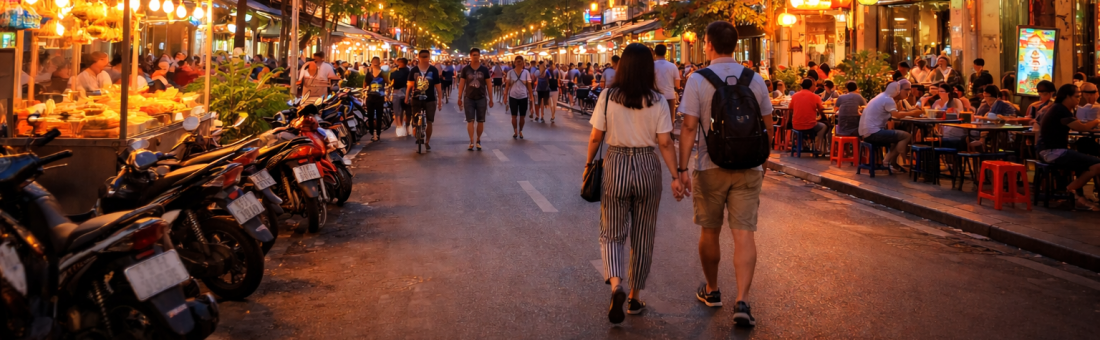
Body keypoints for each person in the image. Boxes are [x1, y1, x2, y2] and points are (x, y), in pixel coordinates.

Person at [677, 21, 774, 328]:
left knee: (710, 230)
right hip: (749, 167)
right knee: (744, 234)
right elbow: (768, 124)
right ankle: (742, 300)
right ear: (735, 45)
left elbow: (690, 127)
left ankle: (712, 289)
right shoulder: (754, 79)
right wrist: (763, 160)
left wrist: (682, 169)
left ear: (708, 44)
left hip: (711, 165)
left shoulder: (697, 79)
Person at [586, 43, 682, 324]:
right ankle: (635, 297)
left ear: (622, 67)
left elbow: (595, 137)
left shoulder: (607, 96)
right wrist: (676, 176)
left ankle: (616, 284)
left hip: (615, 163)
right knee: (643, 235)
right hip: (647, 166)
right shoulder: (658, 100)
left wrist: (588, 164)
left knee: (611, 232)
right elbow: (665, 142)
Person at [1036, 84, 1100, 210]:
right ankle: (1071, 191)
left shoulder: (1059, 108)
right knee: (1097, 165)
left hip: (1050, 150)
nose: (1078, 100)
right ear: (1067, 97)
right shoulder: (1060, 110)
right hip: (1052, 152)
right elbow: (1081, 127)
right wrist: (1097, 121)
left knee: (1090, 162)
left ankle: (1075, 194)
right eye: (1076, 97)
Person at [859, 81, 920, 172]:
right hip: (873, 133)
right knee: (906, 136)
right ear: (898, 90)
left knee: (897, 137)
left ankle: (892, 162)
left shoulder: (882, 96)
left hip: (867, 132)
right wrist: (913, 113)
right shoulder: (888, 99)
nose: (909, 92)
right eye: (906, 89)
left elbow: (894, 114)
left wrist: (911, 112)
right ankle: (896, 159)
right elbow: (896, 115)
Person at [405, 50, 443, 150]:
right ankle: (417, 133)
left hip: (430, 98)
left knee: (430, 121)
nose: (425, 59)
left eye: (426, 57)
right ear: (419, 57)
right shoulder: (414, 70)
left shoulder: (433, 70)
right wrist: (406, 97)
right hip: (416, 98)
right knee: (415, 120)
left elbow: (438, 87)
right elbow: (409, 85)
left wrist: (439, 101)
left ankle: (427, 141)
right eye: (423, 57)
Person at [458, 48, 493, 151]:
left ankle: (478, 139)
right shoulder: (465, 69)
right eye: (474, 55)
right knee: (470, 121)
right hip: (469, 98)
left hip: (481, 98)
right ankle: (471, 140)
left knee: (480, 121)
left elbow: (489, 84)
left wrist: (491, 99)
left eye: (477, 55)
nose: (475, 56)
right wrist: (459, 97)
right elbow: (462, 84)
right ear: (470, 56)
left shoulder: (484, 70)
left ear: (479, 56)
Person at [790, 78, 827, 149]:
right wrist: (821, 117)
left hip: (796, 125)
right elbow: (821, 110)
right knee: (824, 126)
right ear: (811, 86)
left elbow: (790, 109)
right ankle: (817, 146)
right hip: (810, 126)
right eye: (814, 85)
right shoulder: (816, 97)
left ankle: (805, 143)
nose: (815, 87)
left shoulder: (794, 96)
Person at [653, 44, 682, 126]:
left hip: (655, 97)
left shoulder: (651, 65)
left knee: (656, 121)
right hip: (669, 96)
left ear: (655, 52)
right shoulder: (673, 66)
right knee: (669, 120)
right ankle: (670, 137)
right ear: (665, 53)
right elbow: (677, 84)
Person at [505, 55, 532, 139]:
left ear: (523, 63)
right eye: (517, 61)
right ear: (515, 63)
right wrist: (505, 96)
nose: (519, 63)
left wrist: (531, 96)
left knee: (522, 116)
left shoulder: (526, 72)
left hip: (523, 96)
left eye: (520, 61)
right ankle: (515, 130)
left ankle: (520, 130)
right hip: (513, 96)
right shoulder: (510, 73)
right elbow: (507, 85)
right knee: (514, 115)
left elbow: (529, 85)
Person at [364, 57, 389, 142]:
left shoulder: (383, 73)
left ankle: (378, 133)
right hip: (370, 97)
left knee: (379, 116)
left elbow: (388, 82)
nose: (375, 63)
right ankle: (372, 132)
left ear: (379, 63)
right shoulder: (369, 74)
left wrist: (387, 91)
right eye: (373, 61)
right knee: (370, 116)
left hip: (380, 97)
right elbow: (364, 85)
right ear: (371, 62)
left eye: (376, 62)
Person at [390, 58, 410, 136]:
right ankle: (407, 128)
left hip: (397, 92)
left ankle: (399, 127)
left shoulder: (395, 72)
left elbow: (391, 80)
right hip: (407, 92)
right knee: (407, 111)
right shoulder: (409, 71)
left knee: (398, 110)